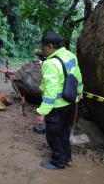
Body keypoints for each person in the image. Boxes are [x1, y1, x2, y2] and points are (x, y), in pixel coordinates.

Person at [35, 32, 83, 170]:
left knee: (53, 134)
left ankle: (58, 161)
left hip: (56, 107)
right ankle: (67, 158)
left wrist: (41, 112)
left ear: (49, 46)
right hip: (70, 102)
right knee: (64, 132)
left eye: (43, 46)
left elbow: (50, 91)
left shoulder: (50, 63)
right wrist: (79, 91)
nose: (42, 49)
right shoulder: (70, 55)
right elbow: (77, 76)